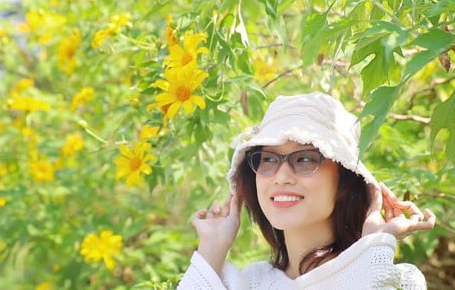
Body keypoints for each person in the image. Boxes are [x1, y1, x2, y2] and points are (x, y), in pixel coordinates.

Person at [177, 92, 436, 289]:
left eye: (305, 159)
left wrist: (373, 244)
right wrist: (211, 248)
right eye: (268, 159)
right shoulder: (248, 282)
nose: (281, 177)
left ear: (344, 180)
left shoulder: (400, 278)